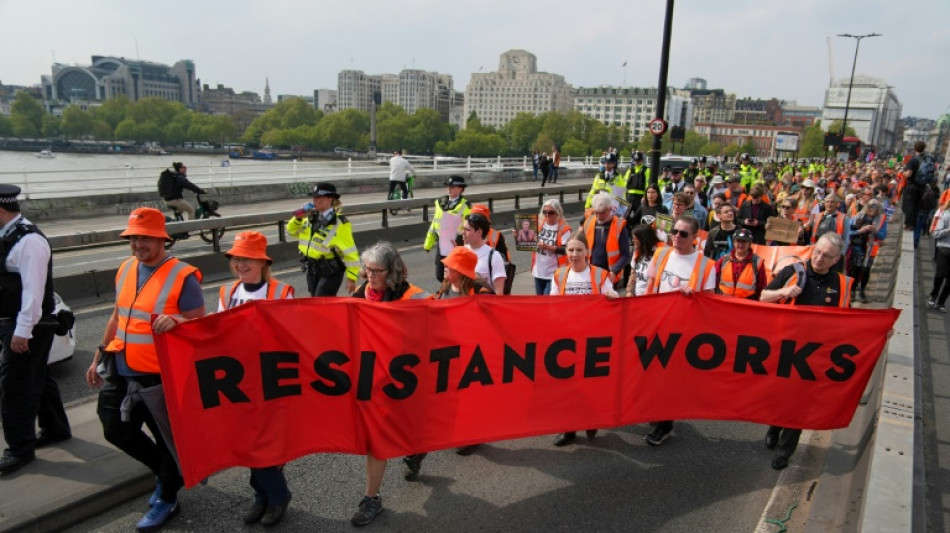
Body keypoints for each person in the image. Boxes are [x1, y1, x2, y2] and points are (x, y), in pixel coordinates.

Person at [85, 207, 206, 530]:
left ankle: (167, 497)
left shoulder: (183, 275)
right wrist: (99, 354)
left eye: (145, 238)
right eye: (133, 237)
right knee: (115, 428)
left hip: (159, 376)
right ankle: (169, 473)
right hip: (120, 366)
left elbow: (202, 325)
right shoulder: (126, 268)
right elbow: (117, 316)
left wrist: (180, 321)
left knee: (165, 438)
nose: (137, 244)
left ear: (161, 239)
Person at [350, 242, 429, 527]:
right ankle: (372, 498)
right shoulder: (359, 295)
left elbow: (439, 319)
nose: (370, 275)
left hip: (407, 378)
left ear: (391, 271)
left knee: (410, 427)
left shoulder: (411, 295)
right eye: (367, 269)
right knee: (376, 440)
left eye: (377, 271)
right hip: (374, 380)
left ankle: (416, 447)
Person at [760, 233, 853, 470]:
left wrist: (877, 332)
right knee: (781, 397)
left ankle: (784, 451)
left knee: (800, 404)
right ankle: (774, 426)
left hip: (815, 355)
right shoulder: (792, 271)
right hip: (786, 348)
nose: (819, 258)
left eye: (826, 256)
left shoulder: (842, 284)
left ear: (836, 259)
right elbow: (763, 297)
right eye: (817, 252)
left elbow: (849, 321)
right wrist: (783, 292)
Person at [0, 184, 71, 475]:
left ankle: (20, 449)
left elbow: (33, 290)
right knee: (38, 375)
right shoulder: (8, 235)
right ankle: (55, 429)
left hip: (29, 324)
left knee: (15, 386)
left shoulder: (29, 242)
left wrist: (22, 332)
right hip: (15, 320)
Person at [643, 214, 716, 446]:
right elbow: (650, 287)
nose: (676, 236)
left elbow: (710, 303)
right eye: (675, 231)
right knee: (652, 374)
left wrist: (694, 297)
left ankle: (664, 424)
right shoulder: (661, 253)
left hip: (683, 331)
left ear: (695, 237)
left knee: (670, 379)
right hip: (657, 325)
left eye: (683, 233)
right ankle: (657, 413)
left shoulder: (706, 265)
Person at [548, 234, 617, 446]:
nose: (574, 255)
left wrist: (613, 296)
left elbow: (612, 298)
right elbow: (551, 306)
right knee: (568, 387)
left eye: (579, 250)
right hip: (566, 341)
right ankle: (568, 429)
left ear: (587, 252)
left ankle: (591, 419)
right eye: (570, 250)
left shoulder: (599, 275)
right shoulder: (559, 275)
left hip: (593, 339)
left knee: (591, 384)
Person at [288, 183, 359, 297]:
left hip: (330, 271)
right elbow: (291, 231)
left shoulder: (340, 223)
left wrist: (351, 277)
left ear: (330, 199)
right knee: (315, 303)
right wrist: (297, 218)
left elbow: (350, 253)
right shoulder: (309, 218)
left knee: (321, 303)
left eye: (318, 197)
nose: (314, 200)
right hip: (312, 269)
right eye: (314, 198)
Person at [424, 176, 471, 282]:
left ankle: (450, 293)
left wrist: (467, 246)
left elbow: (468, 228)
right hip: (442, 243)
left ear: (460, 189)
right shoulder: (440, 203)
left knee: (455, 273)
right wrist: (428, 243)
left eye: (452, 186)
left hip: (456, 243)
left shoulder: (465, 206)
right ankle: (446, 291)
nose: (449, 189)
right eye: (448, 186)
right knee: (440, 274)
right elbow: (434, 224)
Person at [584, 192, 631, 284]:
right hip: (590, 272)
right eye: (596, 212)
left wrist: (614, 270)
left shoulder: (619, 226)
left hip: (609, 274)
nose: (599, 216)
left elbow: (625, 255)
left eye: (602, 213)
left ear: (610, 209)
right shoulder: (589, 221)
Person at [526, 200, 571, 295]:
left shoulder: (564, 229)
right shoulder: (539, 224)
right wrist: (520, 236)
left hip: (553, 273)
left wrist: (548, 247)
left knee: (547, 299)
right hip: (538, 271)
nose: (547, 215)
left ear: (558, 213)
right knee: (540, 302)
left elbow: (567, 250)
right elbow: (530, 243)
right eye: (544, 212)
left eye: (551, 212)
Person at [847, 200, 884, 303]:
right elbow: (848, 232)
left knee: (866, 270)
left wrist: (875, 230)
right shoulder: (857, 217)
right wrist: (860, 230)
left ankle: (862, 291)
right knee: (856, 268)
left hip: (870, 249)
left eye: (875, 208)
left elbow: (882, 236)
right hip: (858, 247)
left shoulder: (881, 220)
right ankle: (853, 290)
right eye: (870, 208)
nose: (872, 210)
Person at [715, 228, 766, 300]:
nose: (741, 245)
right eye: (738, 241)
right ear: (734, 243)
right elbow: (714, 279)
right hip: (724, 302)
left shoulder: (758, 262)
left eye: (744, 242)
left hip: (746, 304)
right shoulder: (724, 259)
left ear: (749, 243)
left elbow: (762, 286)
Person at [463, 213, 507, 294]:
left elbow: (499, 293)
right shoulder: (462, 251)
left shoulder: (494, 257)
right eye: (463, 229)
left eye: (467, 230)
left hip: (482, 305)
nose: (463, 232)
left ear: (479, 232)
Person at [584, 152, 629, 220]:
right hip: (599, 208)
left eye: (609, 163)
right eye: (605, 163)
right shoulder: (599, 176)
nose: (606, 165)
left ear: (614, 164)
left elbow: (622, 197)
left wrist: (623, 212)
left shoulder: (618, 178)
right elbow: (592, 192)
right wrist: (587, 206)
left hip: (611, 210)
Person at [625, 224, 661, 297]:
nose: (632, 240)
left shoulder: (659, 254)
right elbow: (633, 274)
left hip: (652, 297)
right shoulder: (637, 252)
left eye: (635, 238)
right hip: (637, 295)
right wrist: (629, 291)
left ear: (643, 239)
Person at [929, 196, 950, 313]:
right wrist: (948, 230)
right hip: (944, 249)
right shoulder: (946, 215)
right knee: (940, 275)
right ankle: (934, 294)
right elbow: (936, 234)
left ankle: (941, 302)